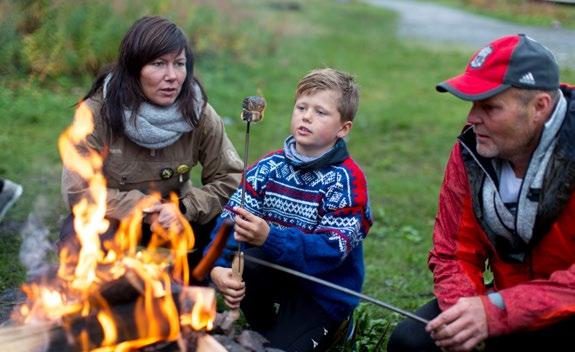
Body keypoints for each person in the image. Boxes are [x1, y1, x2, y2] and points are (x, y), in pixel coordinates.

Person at [387, 34, 575, 352]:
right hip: (505, 300)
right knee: (410, 342)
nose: (472, 118)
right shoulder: (471, 151)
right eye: (472, 104)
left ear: (539, 107)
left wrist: (497, 312)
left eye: (489, 106)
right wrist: (465, 310)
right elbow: (453, 252)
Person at [206, 68, 372, 351]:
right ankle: (268, 328)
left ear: (343, 128)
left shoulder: (346, 181)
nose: (306, 117)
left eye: (321, 112)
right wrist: (219, 266)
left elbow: (333, 249)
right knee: (250, 266)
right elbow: (232, 217)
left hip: (320, 289)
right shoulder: (268, 168)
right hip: (277, 274)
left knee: (283, 348)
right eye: (301, 107)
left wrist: (270, 238)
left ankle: (334, 326)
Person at [59, 16, 243, 269]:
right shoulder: (96, 114)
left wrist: (185, 208)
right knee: (76, 233)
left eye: (179, 64)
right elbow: (78, 192)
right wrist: (144, 207)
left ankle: (191, 291)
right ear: (133, 70)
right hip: (116, 216)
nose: (172, 77)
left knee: (227, 224)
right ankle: (98, 294)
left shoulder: (198, 111)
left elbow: (231, 179)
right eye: (158, 64)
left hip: (177, 218)